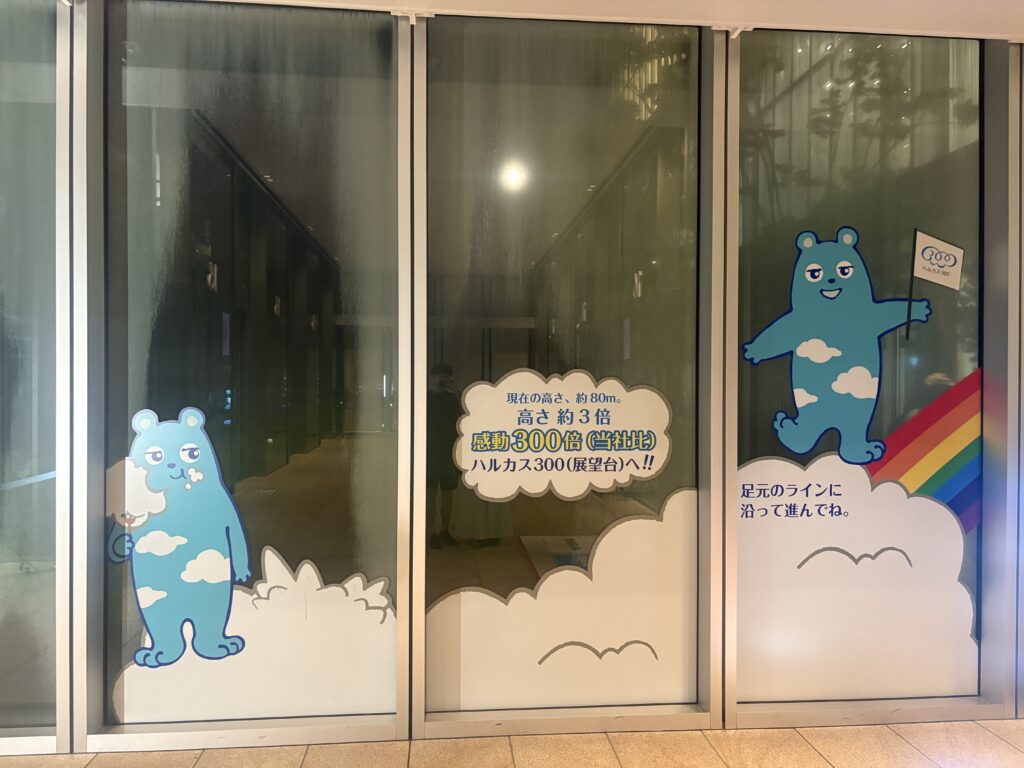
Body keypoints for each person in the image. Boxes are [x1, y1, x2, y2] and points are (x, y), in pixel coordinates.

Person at [427, 362, 461, 549]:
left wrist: (457, 392)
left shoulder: (452, 399)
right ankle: (431, 532)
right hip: (430, 452)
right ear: (432, 377)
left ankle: (444, 530)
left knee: (448, 495)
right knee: (430, 495)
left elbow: (465, 417)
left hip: (449, 452)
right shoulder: (425, 398)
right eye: (438, 375)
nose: (441, 379)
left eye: (445, 376)